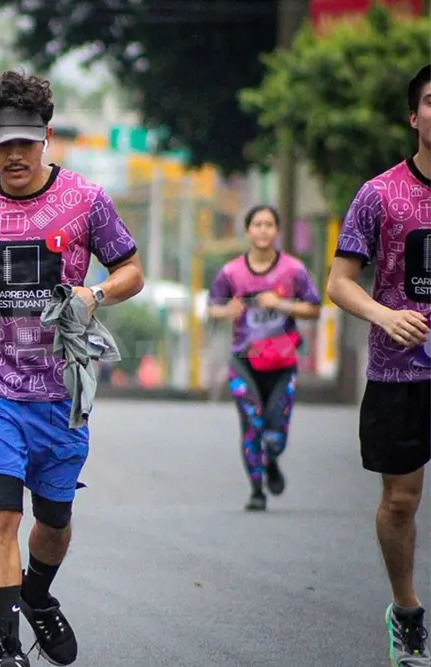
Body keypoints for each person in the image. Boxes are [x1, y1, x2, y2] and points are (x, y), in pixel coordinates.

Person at [0, 70, 143, 667]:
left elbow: (130, 270)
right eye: (2, 141)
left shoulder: (86, 200)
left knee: (54, 518)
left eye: (26, 140)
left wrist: (94, 295)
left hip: (60, 394)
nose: (15, 153)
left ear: (46, 136)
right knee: (0, 513)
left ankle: (38, 594)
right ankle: (8, 650)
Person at [326, 64, 431, 667]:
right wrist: (387, 315)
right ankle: (407, 610)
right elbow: (340, 283)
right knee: (400, 501)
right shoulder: (378, 194)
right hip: (400, 373)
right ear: (413, 116)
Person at [208, 205, 321, 511]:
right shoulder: (231, 272)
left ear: (277, 230)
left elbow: (314, 308)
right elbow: (211, 308)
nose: (263, 230)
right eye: (257, 224)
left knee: (276, 431)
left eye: (269, 224)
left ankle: (272, 459)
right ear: (247, 231)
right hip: (243, 360)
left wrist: (281, 304)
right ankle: (256, 489)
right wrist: (227, 310)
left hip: (283, 362)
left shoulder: (293, 270)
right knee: (251, 421)